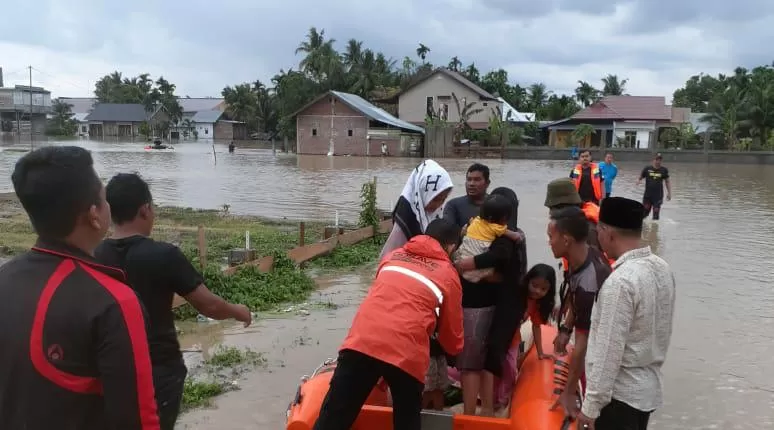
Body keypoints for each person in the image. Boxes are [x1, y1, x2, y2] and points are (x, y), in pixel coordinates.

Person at [0, 146, 160, 429]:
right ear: (94, 215)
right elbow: (138, 419)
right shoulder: (114, 302)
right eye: (104, 198)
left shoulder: (6, 277)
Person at [94, 173, 252, 430]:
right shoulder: (164, 256)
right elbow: (208, 305)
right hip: (158, 371)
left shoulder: (93, 256)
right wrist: (239, 311)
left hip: (109, 371)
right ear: (145, 209)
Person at [313, 219, 464, 430]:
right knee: (406, 421)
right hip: (406, 352)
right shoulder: (448, 274)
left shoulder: (392, 257)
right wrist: (454, 351)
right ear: (451, 246)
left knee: (333, 417)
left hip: (361, 342)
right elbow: (452, 333)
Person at [575, 197, 676, 430]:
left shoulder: (620, 282)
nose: (597, 237)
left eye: (598, 230)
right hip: (647, 392)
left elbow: (608, 351)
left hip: (618, 399)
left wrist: (590, 407)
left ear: (607, 233)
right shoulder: (662, 268)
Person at [453, 187, 526, 417]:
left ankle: (472, 413)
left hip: (479, 304)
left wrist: (467, 264)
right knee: (488, 359)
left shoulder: (501, 237)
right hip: (500, 306)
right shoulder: (510, 234)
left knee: (472, 362)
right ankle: (486, 408)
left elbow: (499, 263)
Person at [547, 207, 611, 416]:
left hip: (603, 352)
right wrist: (566, 328)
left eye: (551, 237)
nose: (549, 242)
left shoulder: (590, 282)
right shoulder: (585, 254)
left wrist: (567, 392)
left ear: (566, 240)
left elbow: (583, 345)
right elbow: (574, 295)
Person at [492, 263, 556, 409]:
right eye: (534, 285)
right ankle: (494, 398)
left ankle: (503, 399)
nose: (538, 291)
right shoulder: (516, 293)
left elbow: (536, 326)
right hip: (500, 336)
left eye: (543, 289)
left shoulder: (536, 304)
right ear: (528, 280)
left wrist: (540, 352)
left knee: (509, 367)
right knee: (496, 367)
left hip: (513, 339)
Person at [380, 159, 453, 260]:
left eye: (443, 199)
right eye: (435, 199)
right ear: (423, 193)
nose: (438, 205)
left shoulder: (436, 212)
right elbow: (392, 252)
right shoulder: (407, 212)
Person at [454, 194, 522, 282]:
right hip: (473, 269)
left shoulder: (475, 220)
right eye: (505, 218)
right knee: (495, 274)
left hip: (462, 255)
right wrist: (518, 236)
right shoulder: (496, 227)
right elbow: (515, 236)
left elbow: (464, 232)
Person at [443, 163, 490, 229]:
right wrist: (461, 234)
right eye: (469, 179)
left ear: (487, 183)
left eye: (477, 180)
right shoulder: (453, 205)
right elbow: (446, 233)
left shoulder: (497, 205)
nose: (471, 184)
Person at [637, 154, 671, 221]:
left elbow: (667, 182)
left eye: (660, 160)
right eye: (657, 160)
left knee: (656, 214)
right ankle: (643, 228)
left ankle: (654, 230)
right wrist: (638, 180)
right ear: (653, 160)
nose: (658, 161)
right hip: (648, 196)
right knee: (644, 213)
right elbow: (640, 177)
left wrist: (669, 193)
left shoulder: (664, 170)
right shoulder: (647, 169)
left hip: (658, 196)